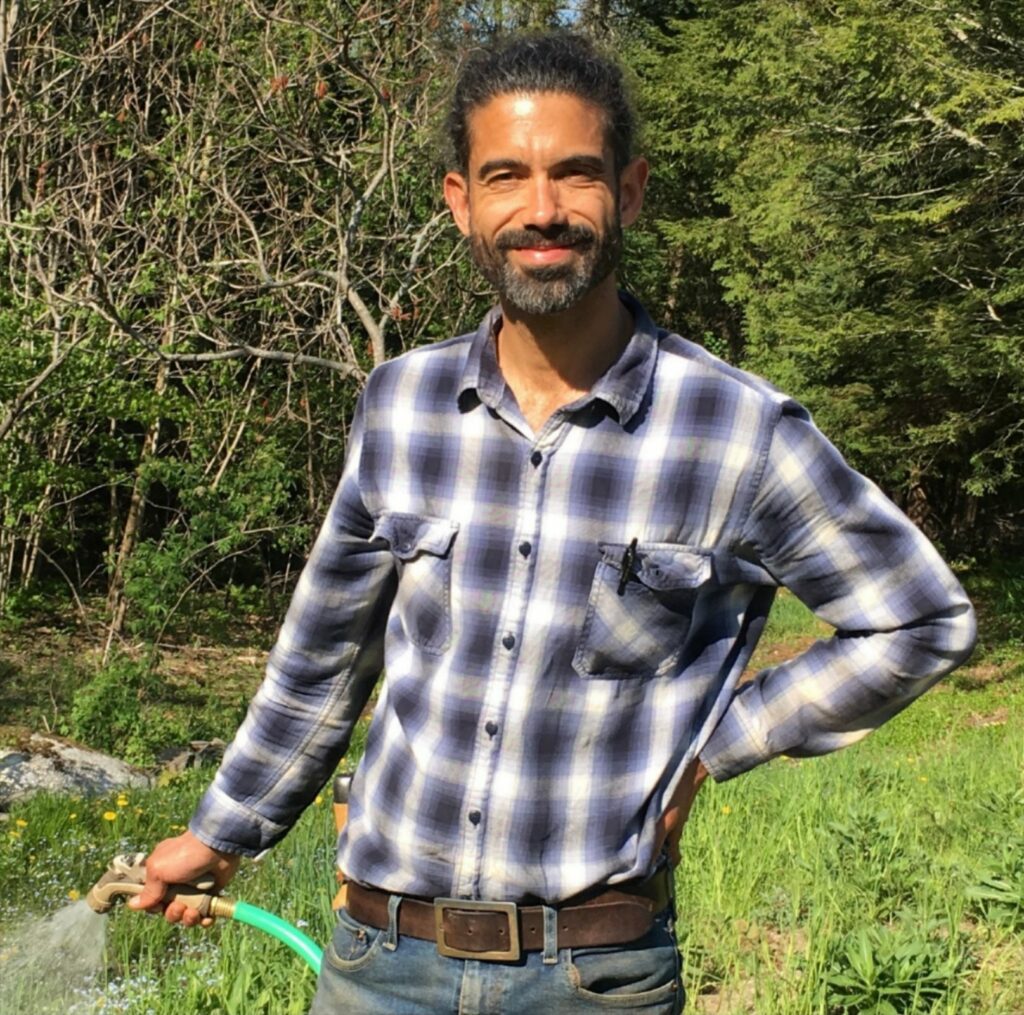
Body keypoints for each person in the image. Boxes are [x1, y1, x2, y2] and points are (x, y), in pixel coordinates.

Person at [132, 31, 977, 1014]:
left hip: (592, 973)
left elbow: (920, 618)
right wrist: (222, 831)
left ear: (630, 190)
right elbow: (323, 658)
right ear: (461, 201)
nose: (541, 210)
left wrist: (718, 745)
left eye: (575, 174)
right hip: (377, 962)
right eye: (506, 176)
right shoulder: (400, 407)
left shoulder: (738, 431)